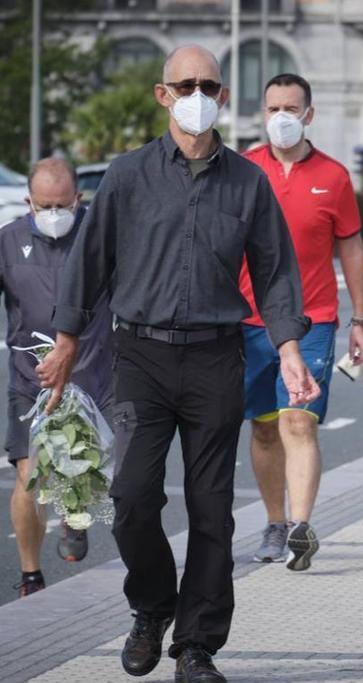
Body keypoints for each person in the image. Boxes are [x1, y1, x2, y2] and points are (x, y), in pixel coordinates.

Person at [37, 46, 319, 682]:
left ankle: (197, 647)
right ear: (164, 95)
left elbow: (275, 272)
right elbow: (91, 261)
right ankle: (153, 606)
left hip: (216, 357)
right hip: (139, 355)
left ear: (223, 98)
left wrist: (290, 348)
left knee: (212, 509)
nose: (198, 94)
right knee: (133, 496)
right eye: (185, 84)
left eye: (209, 85)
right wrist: (66, 339)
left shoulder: (248, 182)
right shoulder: (128, 174)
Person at [238, 73, 363, 570]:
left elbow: (352, 246)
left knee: (298, 421)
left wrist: (360, 318)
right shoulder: (244, 169)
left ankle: (300, 526)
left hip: (312, 319)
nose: (281, 118)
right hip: (249, 322)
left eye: (291, 109)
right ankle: (274, 521)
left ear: (308, 115)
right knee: (266, 428)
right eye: (273, 108)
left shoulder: (334, 176)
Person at [2, 159, 113, 597]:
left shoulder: (104, 239)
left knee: (80, 470)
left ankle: (75, 510)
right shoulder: (8, 241)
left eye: (61, 205)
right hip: (29, 383)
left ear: (78, 199)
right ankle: (31, 575)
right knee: (30, 476)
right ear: (29, 202)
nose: (53, 213)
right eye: (44, 205)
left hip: (94, 379)